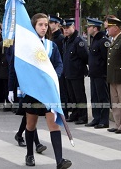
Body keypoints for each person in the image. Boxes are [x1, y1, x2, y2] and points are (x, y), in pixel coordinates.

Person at [9, 13, 71, 168]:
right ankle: (29, 154)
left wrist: (53, 76)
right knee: (30, 124)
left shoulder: (52, 46)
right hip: (32, 92)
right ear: (34, 26)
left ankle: (59, 160)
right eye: (40, 25)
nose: (44, 27)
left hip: (49, 91)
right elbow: (17, 67)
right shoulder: (26, 46)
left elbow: (59, 64)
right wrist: (13, 88)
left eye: (46, 24)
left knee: (54, 125)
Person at [85, 17, 110, 129]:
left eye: (89, 27)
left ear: (95, 28)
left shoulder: (103, 41)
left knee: (102, 97)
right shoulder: (94, 40)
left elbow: (106, 59)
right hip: (94, 74)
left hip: (101, 74)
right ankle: (96, 118)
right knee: (94, 97)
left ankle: (104, 120)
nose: (88, 29)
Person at [62, 18, 89, 124]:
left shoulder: (79, 41)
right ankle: (75, 114)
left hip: (76, 73)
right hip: (68, 72)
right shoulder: (67, 40)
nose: (65, 30)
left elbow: (85, 57)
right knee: (72, 96)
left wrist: (80, 68)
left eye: (68, 28)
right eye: (64, 28)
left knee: (79, 96)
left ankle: (83, 116)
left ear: (73, 27)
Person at [105, 17, 121, 134]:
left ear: (116, 28)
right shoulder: (114, 39)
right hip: (113, 76)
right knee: (115, 102)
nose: (107, 29)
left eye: (109, 27)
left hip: (120, 76)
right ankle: (118, 124)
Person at [49, 14, 69, 119]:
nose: (49, 25)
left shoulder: (60, 38)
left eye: (51, 23)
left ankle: (63, 112)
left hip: (58, 68)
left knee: (61, 91)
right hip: (50, 68)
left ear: (57, 24)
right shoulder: (50, 37)